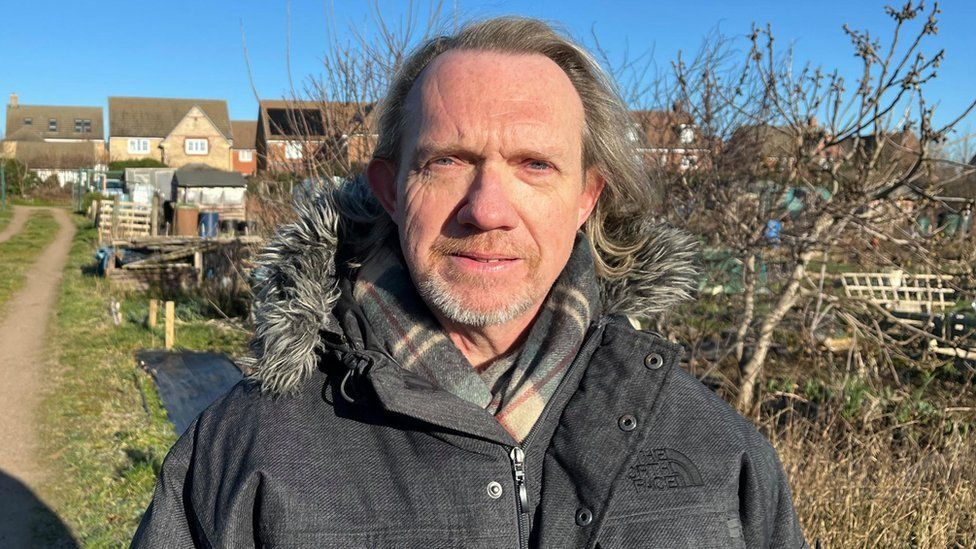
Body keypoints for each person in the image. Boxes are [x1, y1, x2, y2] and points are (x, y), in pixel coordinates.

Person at [132, 17, 807, 548]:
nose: (486, 207)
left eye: (534, 164)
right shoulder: (249, 448)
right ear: (391, 191)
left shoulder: (719, 454)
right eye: (447, 161)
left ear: (586, 199)